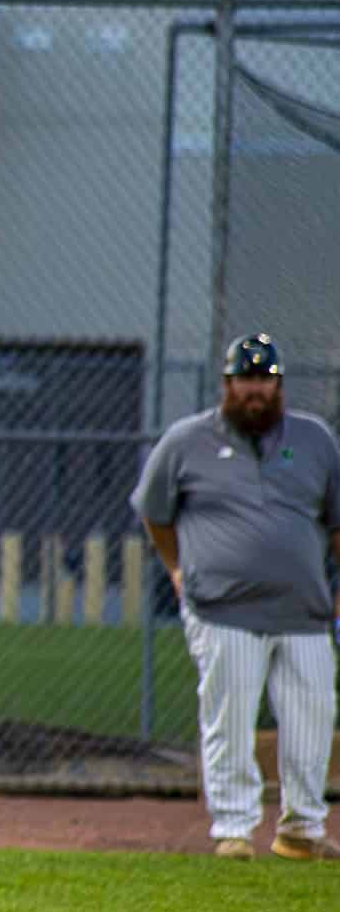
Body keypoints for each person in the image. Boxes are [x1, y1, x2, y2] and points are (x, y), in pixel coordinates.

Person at [134, 333, 340, 861]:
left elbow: (335, 523)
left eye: (264, 380)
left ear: (279, 385)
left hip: (304, 612)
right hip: (223, 609)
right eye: (245, 379)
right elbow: (155, 512)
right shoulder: (186, 441)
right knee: (229, 717)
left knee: (312, 721)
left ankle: (302, 828)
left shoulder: (315, 440)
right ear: (226, 385)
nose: (255, 390)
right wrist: (177, 568)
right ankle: (233, 827)